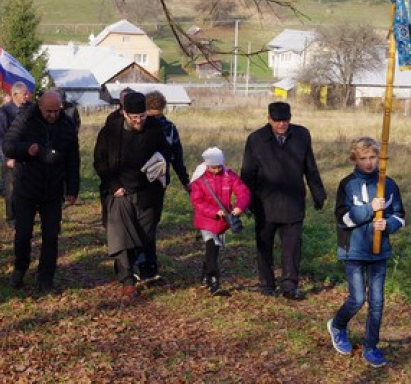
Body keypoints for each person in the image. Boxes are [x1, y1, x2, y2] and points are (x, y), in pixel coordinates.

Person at [327, 136, 405, 368]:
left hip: (379, 251)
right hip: (354, 249)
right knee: (358, 298)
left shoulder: (388, 184)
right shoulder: (347, 184)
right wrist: (370, 210)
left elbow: (400, 216)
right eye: (364, 158)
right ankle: (338, 325)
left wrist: (388, 224)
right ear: (355, 159)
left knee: (377, 301)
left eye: (373, 157)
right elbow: (343, 219)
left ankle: (371, 346)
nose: (369, 163)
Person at [241, 101, 326, 300]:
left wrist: (318, 193)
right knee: (264, 244)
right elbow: (247, 173)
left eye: (285, 120)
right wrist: (247, 201)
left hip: (293, 200)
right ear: (268, 118)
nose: (281, 125)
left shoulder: (302, 135)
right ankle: (267, 283)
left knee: (292, 245)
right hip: (264, 202)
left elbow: (310, 166)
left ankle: (289, 284)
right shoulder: (256, 139)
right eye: (277, 121)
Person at [93, 92, 170, 297]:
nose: (139, 121)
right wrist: (113, 185)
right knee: (122, 234)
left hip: (148, 191)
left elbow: (166, 154)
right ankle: (127, 279)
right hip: (119, 191)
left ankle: (137, 268)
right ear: (124, 113)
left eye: (142, 116)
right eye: (134, 117)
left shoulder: (155, 128)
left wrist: (162, 170)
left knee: (145, 235)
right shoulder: (110, 131)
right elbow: (99, 162)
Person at [3, 90, 80, 293]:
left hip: (53, 190)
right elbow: (8, 146)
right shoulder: (25, 118)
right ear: (39, 106)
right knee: (23, 234)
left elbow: (73, 159)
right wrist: (26, 149)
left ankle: (46, 278)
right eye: (48, 112)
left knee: (51, 236)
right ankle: (20, 268)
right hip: (27, 186)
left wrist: (72, 188)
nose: (53, 115)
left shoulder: (67, 125)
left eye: (56, 111)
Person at [139, 90, 191, 280]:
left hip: (145, 181)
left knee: (143, 224)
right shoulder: (169, 127)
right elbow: (177, 157)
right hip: (157, 181)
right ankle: (147, 265)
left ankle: (143, 263)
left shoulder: (140, 124)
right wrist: (185, 180)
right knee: (149, 224)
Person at [189, 147, 250, 296]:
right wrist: (214, 211)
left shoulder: (230, 176)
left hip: (222, 221)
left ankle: (204, 277)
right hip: (206, 220)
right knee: (212, 247)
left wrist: (239, 207)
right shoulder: (199, 179)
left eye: (218, 167)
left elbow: (243, 192)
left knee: (213, 251)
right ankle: (214, 282)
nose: (215, 170)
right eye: (212, 167)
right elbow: (197, 201)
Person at [0, 81, 31, 228]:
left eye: (27, 94)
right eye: (24, 94)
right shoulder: (5, 112)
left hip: (28, 155)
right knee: (11, 189)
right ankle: (11, 218)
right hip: (11, 157)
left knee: (28, 188)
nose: (27, 96)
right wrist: (8, 157)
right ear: (15, 95)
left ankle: (25, 215)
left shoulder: (31, 108)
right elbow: (1, 138)